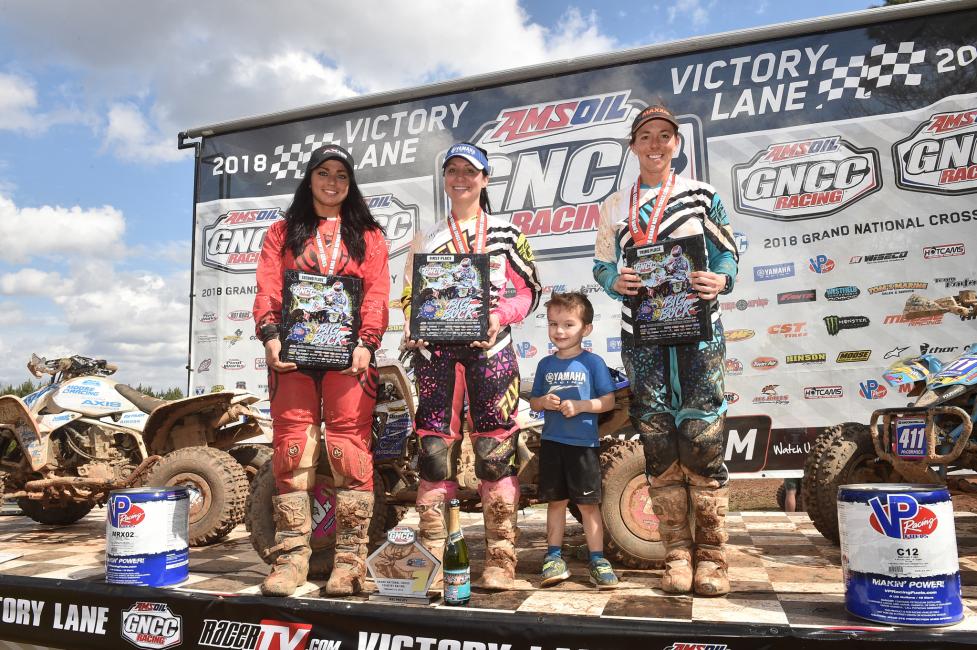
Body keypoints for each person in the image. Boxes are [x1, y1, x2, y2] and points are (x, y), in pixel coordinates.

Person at [593, 104, 739, 597]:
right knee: (657, 441)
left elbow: (726, 253)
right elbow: (601, 264)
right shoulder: (615, 206)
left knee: (702, 438)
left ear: (676, 143)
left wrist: (721, 279)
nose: (655, 145)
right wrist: (614, 281)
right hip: (644, 336)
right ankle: (676, 554)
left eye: (664, 136)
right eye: (645, 137)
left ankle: (713, 557)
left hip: (698, 332)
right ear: (633, 146)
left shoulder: (702, 196)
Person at [401, 142, 541, 590]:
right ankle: (433, 557)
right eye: (453, 171)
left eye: (470, 171)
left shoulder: (507, 233)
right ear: (444, 179)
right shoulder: (425, 239)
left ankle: (501, 557)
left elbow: (531, 292)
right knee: (433, 455)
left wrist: (500, 316)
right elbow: (409, 296)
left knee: (495, 453)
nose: (460, 178)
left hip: (490, 353)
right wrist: (414, 325)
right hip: (436, 358)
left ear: (485, 178)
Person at [253, 144, 389, 597]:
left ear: (351, 183)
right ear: (309, 178)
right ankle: (291, 559)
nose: (332, 182)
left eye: (341, 175)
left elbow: (377, 293)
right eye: (324, 172)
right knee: (292, 450)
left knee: (350, 450)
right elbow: (268, 287)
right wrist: (270, 335)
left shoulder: (368, 235)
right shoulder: (282, 231)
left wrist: (368, 341)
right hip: (293, 355)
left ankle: (349, 562)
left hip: (349, 356)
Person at [529, 292, 618, 589]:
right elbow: (535, 402)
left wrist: (581, 406)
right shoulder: (545, 364)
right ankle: (553, 557)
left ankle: (598, 560)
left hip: (584, 447)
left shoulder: (593, 363)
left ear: (586, 328)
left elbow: (608, 401)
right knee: (556, 503)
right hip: (552, 444)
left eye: (568, 324)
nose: (560, 331)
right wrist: (544, 401)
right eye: (553, 324)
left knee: (588, 505)